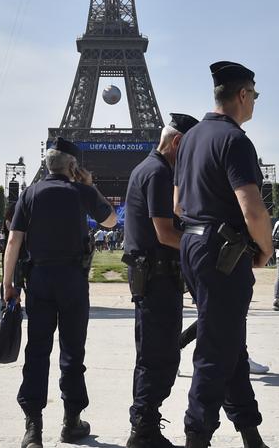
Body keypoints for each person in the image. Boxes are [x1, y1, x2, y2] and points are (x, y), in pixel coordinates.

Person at [174, 61, 272, 448]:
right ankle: (196, 435)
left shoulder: (191, 138)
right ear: (243, 94)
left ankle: (250, 431)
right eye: (255, 96)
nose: (255, 103)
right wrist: (264, 248)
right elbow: (252, 208)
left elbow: (178, 205)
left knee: (230, 340)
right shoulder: (235, 141)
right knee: (216, 349)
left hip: (193, 247)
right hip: (223, 253)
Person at [3, 138, 117, 448]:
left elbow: (13, 242)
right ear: (72, 166)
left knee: (37, 351)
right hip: (72, 280)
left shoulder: (30, 194)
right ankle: (71, 421)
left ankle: (33, 428)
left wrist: (7, 284)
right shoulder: (81, 192)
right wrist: (90, 186)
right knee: (72, 352)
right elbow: (111, 221)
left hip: (38, 278)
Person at [121, 112, 198, 448]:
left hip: (155, 276)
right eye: (190, 151)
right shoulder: (158, 173)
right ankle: (143, 429)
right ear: (177, 143)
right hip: (157, 278)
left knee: (156, 353)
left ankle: (145, 424)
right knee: (159, 355)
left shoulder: (147, 168)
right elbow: (165, 233)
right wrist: (203, 245)